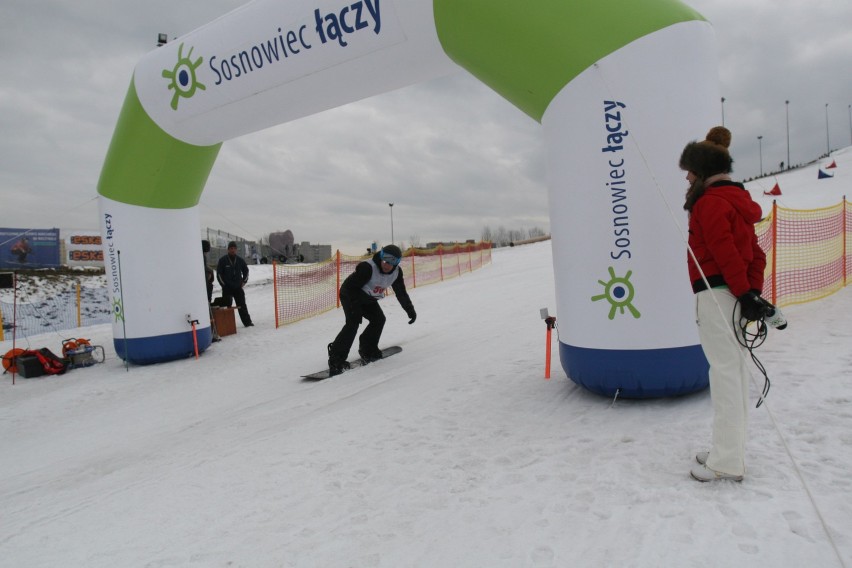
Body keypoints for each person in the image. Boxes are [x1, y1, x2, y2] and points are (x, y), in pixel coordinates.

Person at [679, 126, 767, 483]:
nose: (686, 177)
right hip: (732, 294)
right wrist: (750, 293)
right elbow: (756, 255)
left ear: (702, 171)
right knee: (734, 372)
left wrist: (746, 293)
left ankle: (727, 461)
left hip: (717, 295)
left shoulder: (710, 203)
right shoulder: (735, 202)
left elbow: (724, 250)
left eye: (689, 170)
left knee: (726, 375)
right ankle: (727, 450)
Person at [327, 244, 416, 375]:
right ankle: (336, 358)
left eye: (391, 263)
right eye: (385, 261)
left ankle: (367, 350)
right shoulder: (367, 268)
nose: (386, 265)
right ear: (381, 258)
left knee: (379, 319)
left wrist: (409, 309)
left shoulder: (397, 273)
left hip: (368, 298)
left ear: (396, 264)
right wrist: (356, 309)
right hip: (351, 294)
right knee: (353, 322)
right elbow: (351, 289)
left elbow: (401, 292)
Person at [216, 241, 254, 327]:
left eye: (234, 249)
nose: (233, 250)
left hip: (238, 288)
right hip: (227, 288)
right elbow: (219, 274)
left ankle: (247, 323)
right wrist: (224, 285)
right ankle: (226, 325)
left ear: (236, 250)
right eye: (231, 249)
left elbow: (246, 271)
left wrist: (244, 281)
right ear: (228, 250)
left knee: (242, 306)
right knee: (226, 307)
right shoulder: (222, 260)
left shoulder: (240, 260)